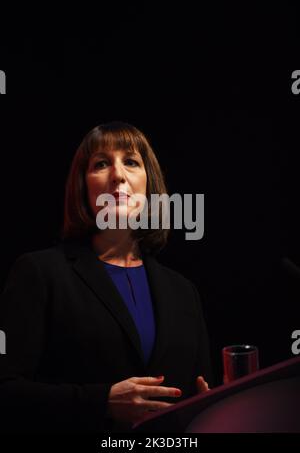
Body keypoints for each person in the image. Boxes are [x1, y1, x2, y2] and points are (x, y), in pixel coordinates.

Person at [0, 122, 212, 433]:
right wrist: (101, 402)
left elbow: (201, 393)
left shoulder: (183, 291)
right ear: (82, 186)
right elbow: (5, 390)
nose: (117, 175)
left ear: (149, 184)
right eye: (101, 163)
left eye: (131, 161)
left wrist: (210, 406)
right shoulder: (40, 273)